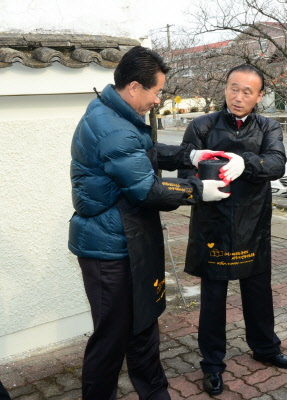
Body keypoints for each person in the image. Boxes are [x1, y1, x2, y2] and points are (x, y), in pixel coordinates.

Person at [69, 46, 229, 400]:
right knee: (111, 339)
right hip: (109, 250)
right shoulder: (112, 128)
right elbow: (147, 189)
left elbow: (146, 153)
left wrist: (190, 154)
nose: (159, 100)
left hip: (126, 241)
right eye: (157, 92)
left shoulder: (117, 116)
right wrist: (198, 189)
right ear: (135, 87)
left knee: (141, 327)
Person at [179, 64, 287, 396]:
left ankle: (265, 348)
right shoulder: (202, 124)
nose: (238, 96)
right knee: (213, 297)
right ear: (225, 88)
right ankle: (213, 364)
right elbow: (182, 164)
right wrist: (198, 184)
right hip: (212, 222)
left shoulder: (268, 126)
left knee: (258, 292)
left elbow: (276, 162)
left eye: (247, 91)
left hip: (252, 221)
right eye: (233, 88)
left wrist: (246, 161)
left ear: (260, 95)